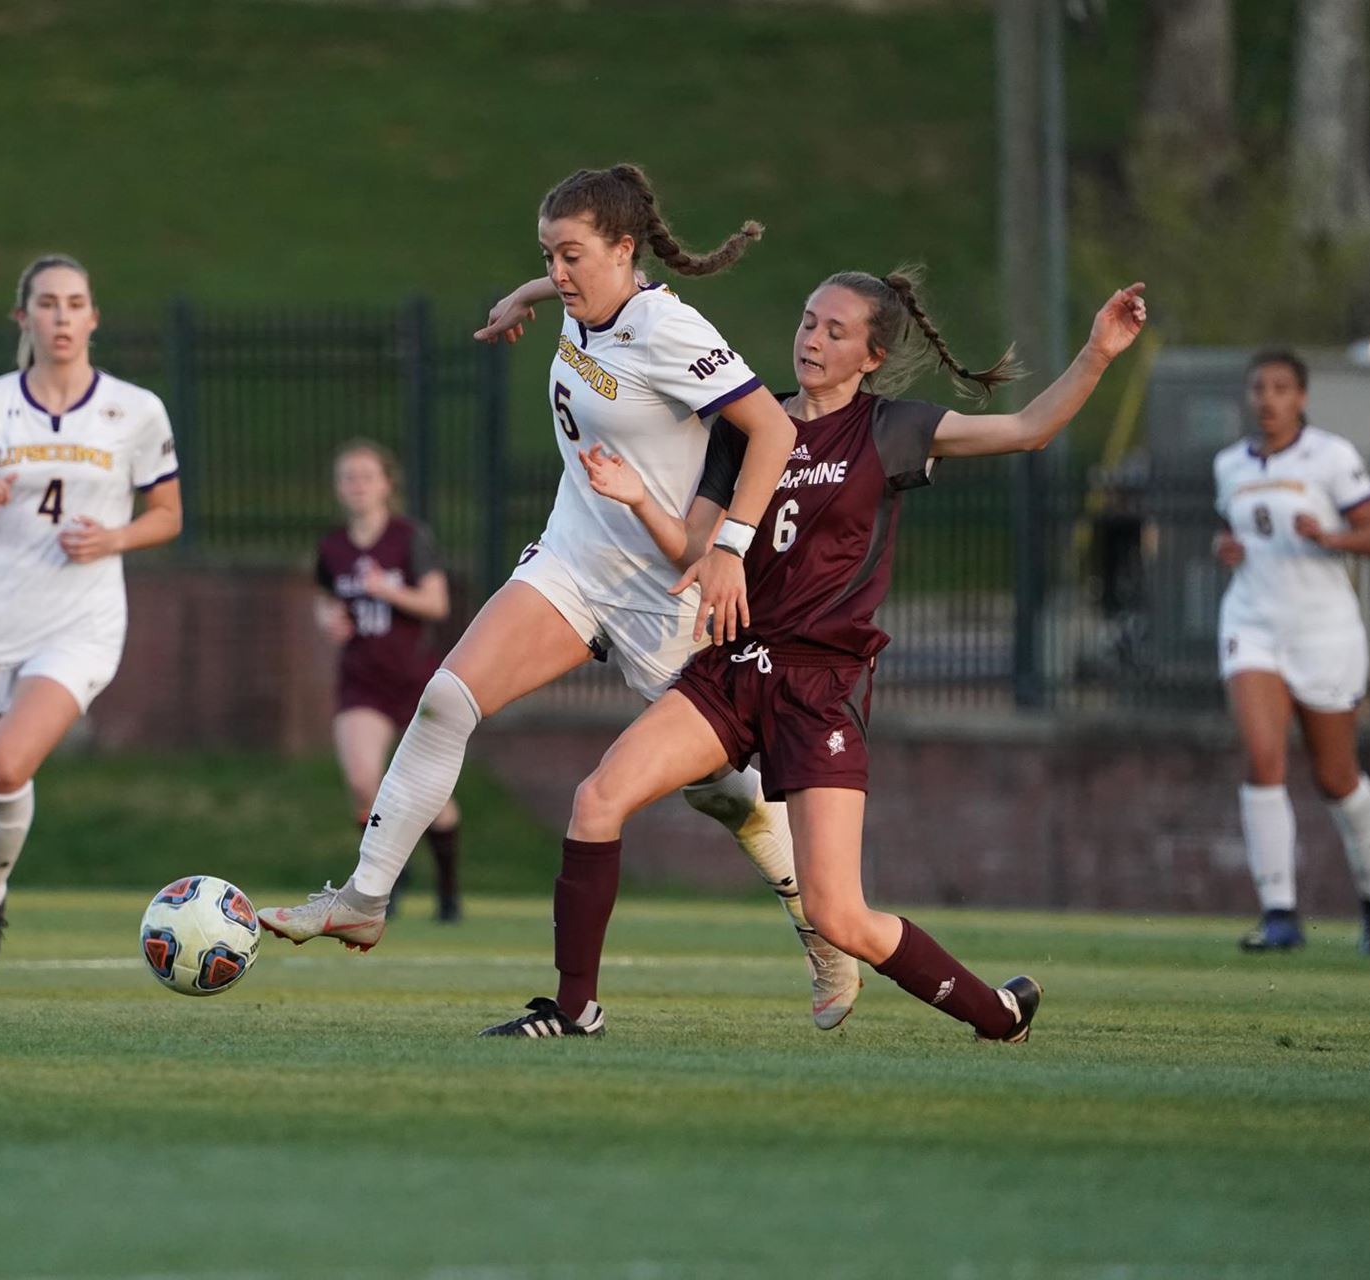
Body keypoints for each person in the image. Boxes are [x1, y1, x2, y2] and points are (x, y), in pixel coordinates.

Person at [260, 164, 868, 1031]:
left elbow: (772, 428)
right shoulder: (587, 299)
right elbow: (562, 288)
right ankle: (364, 897)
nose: (559, 273)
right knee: (445, 701)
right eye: (547, 255)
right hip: (573, 565)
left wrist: (729, 545)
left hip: (664, 595)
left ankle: (823, 926)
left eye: (572, 256)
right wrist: (523, 299)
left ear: (625, 251)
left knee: (728, 793)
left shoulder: (669, 329)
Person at [475, 267, 1148, 1040]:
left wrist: (1099, 351)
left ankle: (995, 1014)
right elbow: (694, 548)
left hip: (822, 684)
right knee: (597, 801)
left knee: (838, 913)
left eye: (835, 331)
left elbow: (1028, 429)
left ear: (872, 355)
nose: (812, 340)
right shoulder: (750, 423)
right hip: (732, 666)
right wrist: (635, 499)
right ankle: (572, 1009)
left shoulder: (891, 430)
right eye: (806, 322)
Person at [0, 254, 183, 993]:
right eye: (48, 304)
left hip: (81, 622)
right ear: (23, 318)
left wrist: (112, 538)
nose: (62, 316)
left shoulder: (135, 409)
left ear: (94, 318)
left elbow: (169, 516)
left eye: (76, 303)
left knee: (4, 766)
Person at [1212, 349, 1370, 953]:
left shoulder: (1332, 457)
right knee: (1263, 759)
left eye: (1281, 388)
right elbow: (1241, 531)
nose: (1268, 399)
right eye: (1259, 387)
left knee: (1336, 778)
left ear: (1301, 398)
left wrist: (1330, 536)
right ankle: (1281, 916)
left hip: (1324, 631)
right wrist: (1229, 549)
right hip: (1252, 622)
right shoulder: (1230, 464)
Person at [314, 439, 461, 920]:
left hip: (416, 681)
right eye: (347, 477)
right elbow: (325, 599)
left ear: (386, 484)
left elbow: (437, 604)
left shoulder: (408, 538)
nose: (356, 485)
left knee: (430, 797)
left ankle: (447, 889)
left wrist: (388, 590)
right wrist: (329, 618)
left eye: (366, 476)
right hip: (362, 681)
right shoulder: (332, 547)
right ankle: (382, 884)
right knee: (363, 782)